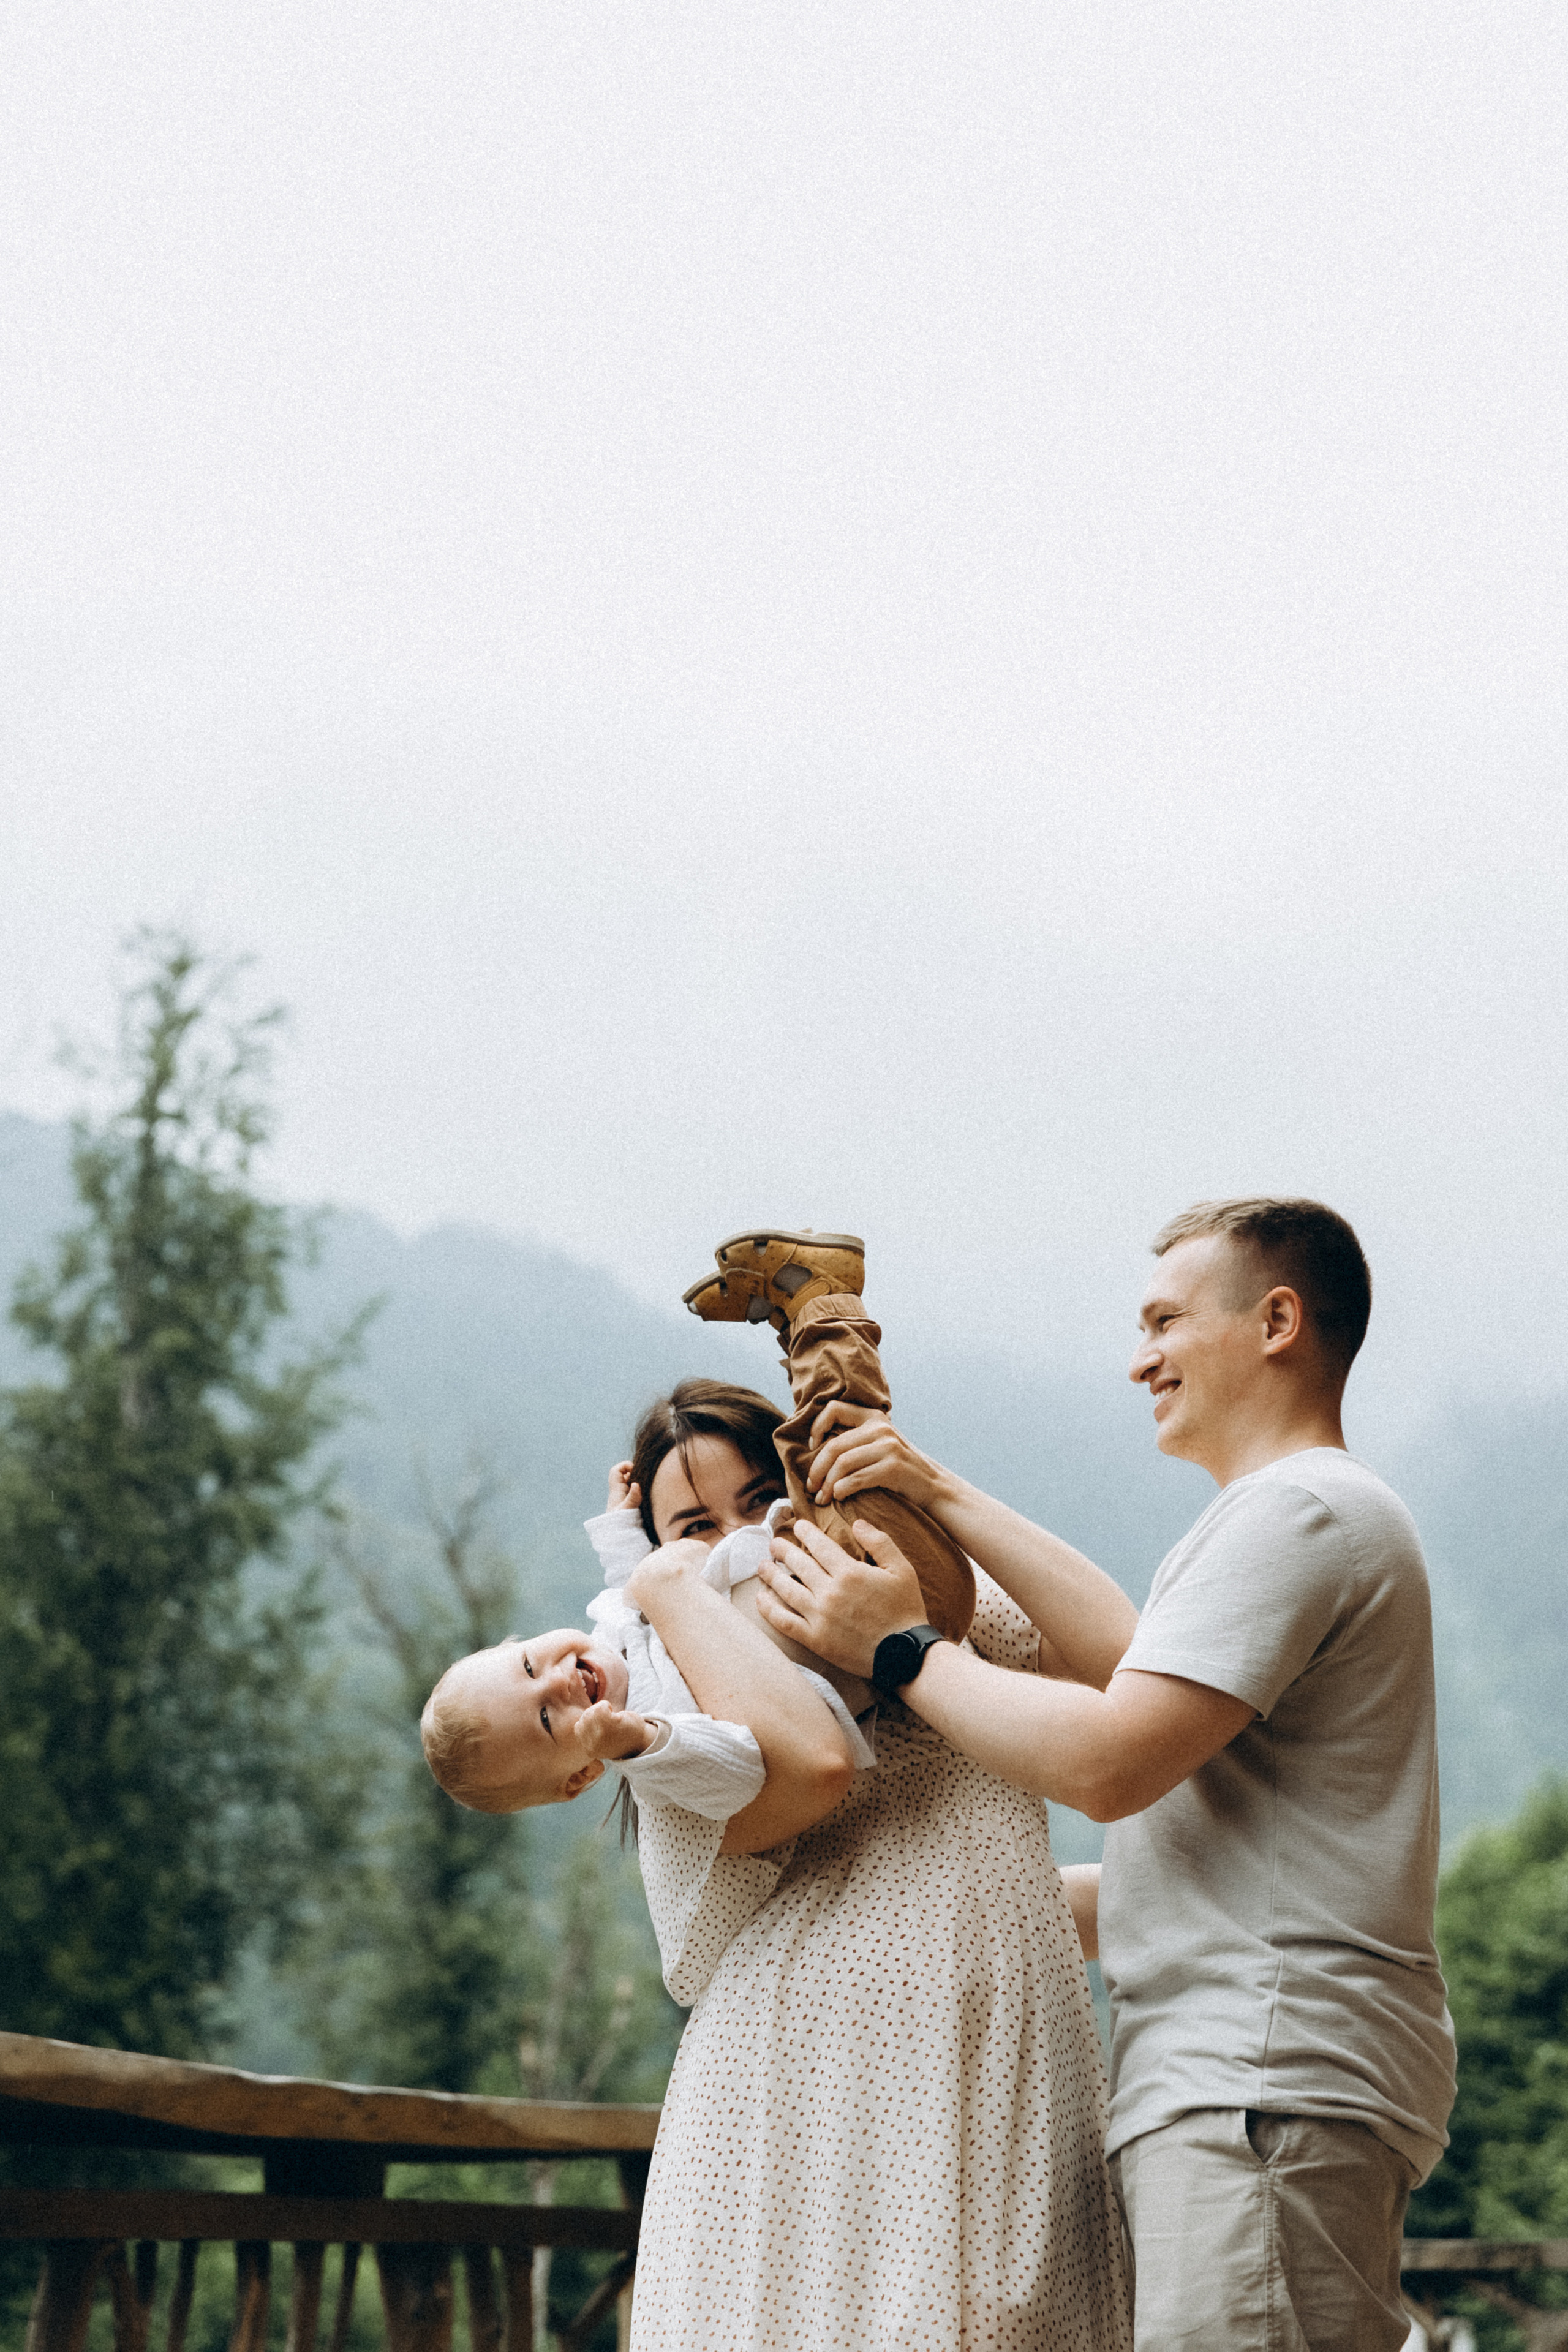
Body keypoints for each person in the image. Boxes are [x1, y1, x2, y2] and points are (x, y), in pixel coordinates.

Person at [756, 1197, 1457, 2352]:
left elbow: (1107, 1759)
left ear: (1277, 1320)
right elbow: (1128, 1662)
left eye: (1166, 1322)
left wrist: (897, 1650)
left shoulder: (1303, 1512)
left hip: (1258, 2085)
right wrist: (933, 1489)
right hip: (1260, 2083)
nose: (1141, 1361)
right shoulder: (1287, 1517)